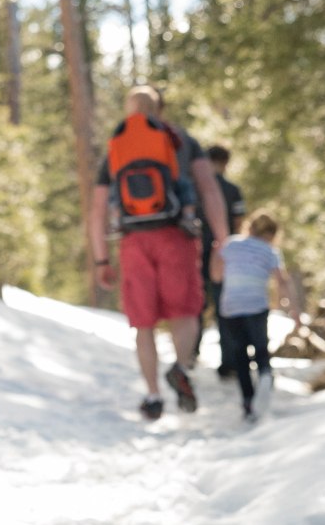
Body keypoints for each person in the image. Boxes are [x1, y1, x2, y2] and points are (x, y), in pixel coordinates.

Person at [90, 85, 228, 421]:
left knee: (144, 323)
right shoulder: (181, 140)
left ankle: (153, 396)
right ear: (159, 109)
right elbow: (209, 188)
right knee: (184, 312)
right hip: (176, 235)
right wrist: (223, 240)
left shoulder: (118, 146)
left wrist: (100, 259)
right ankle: (181, 367)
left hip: (133, 242)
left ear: (130, 110)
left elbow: (96, 211)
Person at [212, 209, 301, 421]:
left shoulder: (231, 244)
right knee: (261, 348)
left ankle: (248, 404)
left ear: (249, 227)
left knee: (240, 355)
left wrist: (216, 254)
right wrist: (293, 310)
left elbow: (216, 276)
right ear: (271, 234)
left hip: (231, 306)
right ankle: (265, 376)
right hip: (256, 305)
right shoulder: (269, 251)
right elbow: (282, 281)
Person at [196, 144, 246, 375]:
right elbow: (238, 223)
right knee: (224, 306)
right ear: (225, 162)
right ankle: (229, 361)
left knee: (195, 303)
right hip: (223, 253)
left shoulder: (196, 188)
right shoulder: (232, 190)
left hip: (195, 252)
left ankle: (190, 355)